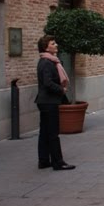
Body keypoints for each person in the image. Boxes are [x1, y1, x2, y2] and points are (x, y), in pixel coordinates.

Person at [34, 35, 75, 171]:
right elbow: (48, 83)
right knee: (53, 133)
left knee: (45, 132)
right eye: (53, 43)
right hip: (48, 102)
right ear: (46, 47)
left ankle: (44, 160)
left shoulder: (47, 61)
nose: (56, 45)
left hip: (45, 101)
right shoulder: (47, 63)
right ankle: (58, 162)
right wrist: (61, 89)